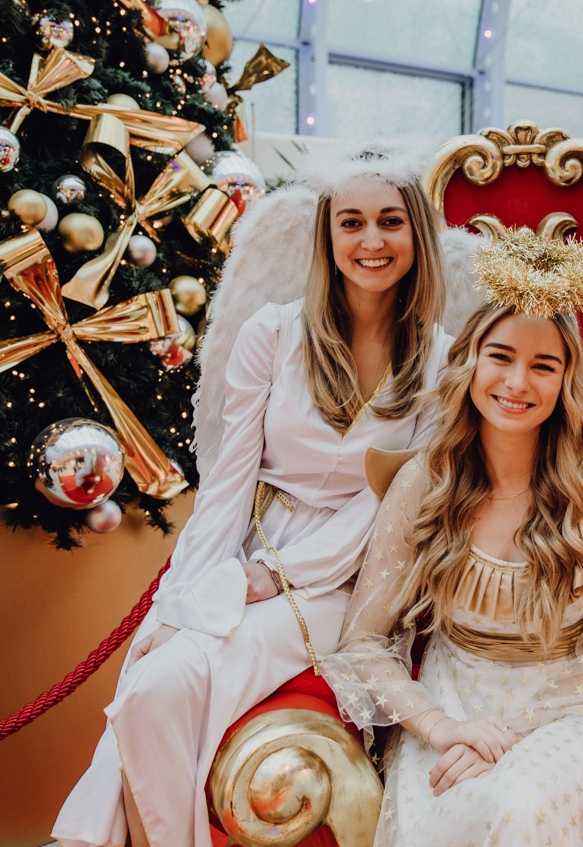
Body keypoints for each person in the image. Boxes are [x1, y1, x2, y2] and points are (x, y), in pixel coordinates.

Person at [53, 144, 455, 847]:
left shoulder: (443, 361)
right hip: (249, 550)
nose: (371, 240)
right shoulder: (271, 332)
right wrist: (187, 596)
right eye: (352, 222)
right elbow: (228, 483)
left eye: (390, 221)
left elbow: (397, 505)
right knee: (152, 683)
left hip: (353, 582)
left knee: (165, 690)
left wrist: (277, 575)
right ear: (327, 235)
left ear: (417, 233)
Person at [321, 228, 583, 847]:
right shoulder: (424, 480)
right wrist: (440, 727)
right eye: (501, 356)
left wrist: (512, 733)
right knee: (455, 810)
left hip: (567, 707)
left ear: (567, 381)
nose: (517, 382)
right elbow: (363, 641)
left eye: (543, 366)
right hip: (452, 698)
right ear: (470, 361)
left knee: (519, 808)